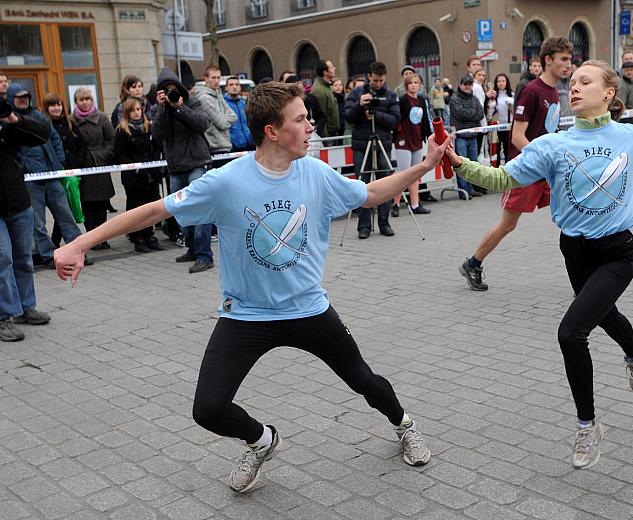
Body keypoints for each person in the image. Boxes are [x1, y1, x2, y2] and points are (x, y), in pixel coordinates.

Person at [54, 81, 446, 491]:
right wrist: (80, 243)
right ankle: (262, 440)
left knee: (364, 380)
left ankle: (404, 424)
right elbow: (153, 210)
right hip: (246, 316)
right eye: (301, 118)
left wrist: (424, 166)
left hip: (308, 310)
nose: (311, 126)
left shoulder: (315, 173)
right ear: (272, 131)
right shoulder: (225, 182)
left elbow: (369, 194)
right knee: (207, 410)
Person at [445, 59, 633, 469]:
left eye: (585, 81)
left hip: (617, 252)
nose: (574, 88)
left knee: (571, 332)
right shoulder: (552, 145)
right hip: (574, 252)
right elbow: (503, 178)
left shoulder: (631, 138)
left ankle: (587, 426)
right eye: (572, 82)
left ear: (609, 93)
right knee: (602, 313)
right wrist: (459, 164)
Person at [459, 37, 572, 291]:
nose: (568, 64)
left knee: (569, 215)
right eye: (563, 59)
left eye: (569, 58)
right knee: (508, 224)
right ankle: (473, 263)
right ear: (548, 60)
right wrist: (542, 158)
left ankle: (583, 274)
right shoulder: (532, 90)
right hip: (527, 170)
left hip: (548, 170)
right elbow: (517, 136)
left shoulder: (555, 91)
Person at [9, 85, 84, 269]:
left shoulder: (39, 116)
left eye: (26, 96)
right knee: (38, 222)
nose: (23, 100)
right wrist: (22, 168)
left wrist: (58, 161)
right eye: (19, 98)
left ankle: (78, 250)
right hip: (31, 180)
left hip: (52, 175)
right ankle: (48, 255)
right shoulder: (10, 121)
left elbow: (55, 139)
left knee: (65, 215)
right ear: (12, 99)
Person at [0, 97, 53, 341]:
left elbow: (43, 134)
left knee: (23, 257)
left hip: (18, 202)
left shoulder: (7, 125)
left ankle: (25, 307)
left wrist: (13, 119)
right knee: (3, 259)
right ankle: (4, 316)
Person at [153, 67, 214, 273]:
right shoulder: (159, 109)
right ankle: (192, 249)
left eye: (173, 90)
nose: (170, 94)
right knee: (181, 212)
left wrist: (179, 107)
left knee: (201, 210)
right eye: (165, 91)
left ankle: (205, 255)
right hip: (176, 168)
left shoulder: (191, 102)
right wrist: (163, 109)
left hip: (197, 163)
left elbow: (202, 124)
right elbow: (158, 134)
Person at [344, 61, 400, 239]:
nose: (378, 84)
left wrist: (377, 114)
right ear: (369, 77)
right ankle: (364, 226)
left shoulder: (390, 95)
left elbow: (395, 120)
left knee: (385, 184)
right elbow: (348, 117)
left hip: (382, 142)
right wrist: (359, 105)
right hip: (362, 144)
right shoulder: (356, 93)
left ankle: (385, 223)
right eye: (375, 80)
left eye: (381, 80)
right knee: (363, 185)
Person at [114, 98, 165, 252]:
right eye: (132, 110)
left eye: (138, 109)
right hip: (134, 177)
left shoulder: (149, 127)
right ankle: (138, 238)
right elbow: (119, 154)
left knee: (151, 206)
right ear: (127, 113)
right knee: (136, 207)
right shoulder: (122, 131)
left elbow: (157, 148)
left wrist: (156, 166)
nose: (136, 113)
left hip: (150, 174)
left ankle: (150, 236)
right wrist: (134, 167)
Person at [42, 93, 88, 250]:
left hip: (72, 171)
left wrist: (79, 164)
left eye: (59, 105)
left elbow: (81, 144)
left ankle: (56, 242)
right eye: (53, 105)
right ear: (46, 108)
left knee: (65, 210)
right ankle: (57, 242)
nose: (56, 108)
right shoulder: (44, 125)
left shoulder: (70, 123)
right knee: (63, 211)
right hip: (55, 173)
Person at [71, 87, 115, 249]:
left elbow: (112, 139)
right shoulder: (72, 120)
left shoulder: (102, 117)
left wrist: (103, 154)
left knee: (102, 203)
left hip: (100, 164)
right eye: (81, 100)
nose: (85, 102)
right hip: (83, 165)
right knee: (87, 204)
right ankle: (91, 238)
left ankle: (103, 237)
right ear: (76, 102)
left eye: (88, 99)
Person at [391, 73, 432, 217]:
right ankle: (395, 203)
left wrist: (427, 135)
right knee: (403, 174)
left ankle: (415, 204)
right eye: (411, 83)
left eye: (416, 82)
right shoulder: (402, 101)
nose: (414, 85)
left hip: (417, 139)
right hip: (403, 140)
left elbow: (425, 119)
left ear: (420, 84)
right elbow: (397, 119)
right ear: (406, 85)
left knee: (415, 174)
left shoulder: (421, 99)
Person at [193, 65, 237, 166]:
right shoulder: (204, 98)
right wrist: (225, 118)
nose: (217, 81)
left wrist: (224, 118)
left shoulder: (218, 95)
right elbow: (222, 124)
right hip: (215, 147)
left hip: (225, 145)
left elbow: (234, 115)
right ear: (206, 78)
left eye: (218, 77)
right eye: (213, 77)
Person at [449, 74, 483, 200]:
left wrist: (470, 115)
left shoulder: (474, 98)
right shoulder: (455, 99)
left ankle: (471, 188)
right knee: (461, 164)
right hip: (461, 136)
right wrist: (472, 114)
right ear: (460, 85)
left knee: (473, 164)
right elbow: (461, 114)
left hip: (473, 136)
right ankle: (463, 190)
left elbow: (480, 113)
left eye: (470, 84)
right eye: (466, 84)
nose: (468, 87)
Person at [310, 60, 340, 138]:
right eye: (332, 67)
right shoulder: (318, 90)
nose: (334, 69)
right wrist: (326, 138)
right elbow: (321, 115)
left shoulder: (327, 86)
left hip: (333, 133)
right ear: (325, 72)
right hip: (328, 135)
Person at [224, 76, 254, 152]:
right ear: (226, 88)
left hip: (250, 145)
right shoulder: (223, 104)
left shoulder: (244, 103)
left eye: (237, 84)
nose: (234, 87)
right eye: (231, 85)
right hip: (233, 148)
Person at [492, 73, 514, 164]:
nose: (501, 83)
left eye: (503, 81)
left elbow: (515, 112)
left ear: (507, 82)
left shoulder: (512, 95)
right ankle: (496, 168)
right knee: (496, 149)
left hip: (509, 126)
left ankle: (507, 167)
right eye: (499, 81)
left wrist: (511, 105)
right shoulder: (494, 95)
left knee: (507, 148)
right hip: (497, 126)